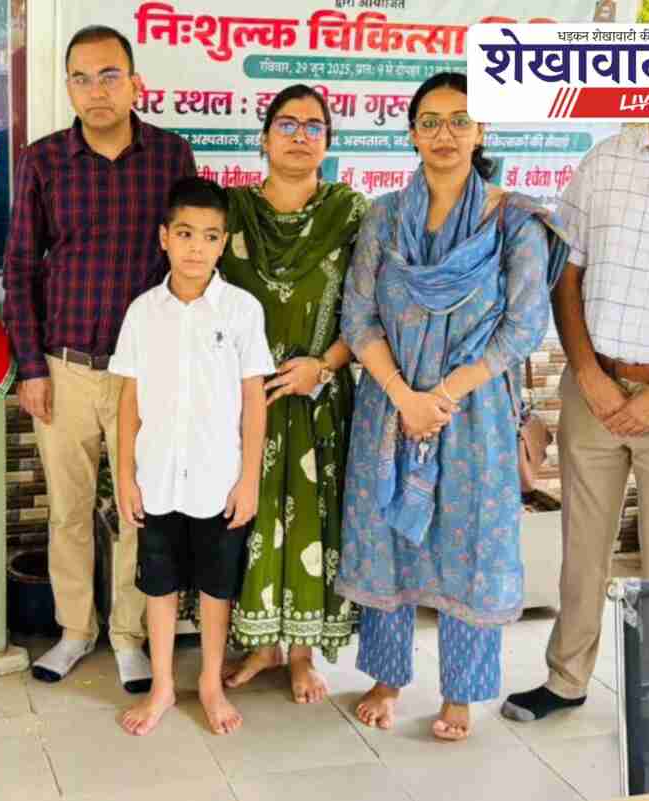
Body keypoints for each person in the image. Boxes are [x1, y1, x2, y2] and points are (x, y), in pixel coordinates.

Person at [504, 11, 649, 729]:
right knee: (581, 549)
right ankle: (566, 680)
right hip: (594, 384)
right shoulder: (605, 159)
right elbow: (567, 275)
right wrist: (589, 375)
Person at [337, 72, 568, 741]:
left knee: (469, 544)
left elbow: (523, 327)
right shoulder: (382, 217)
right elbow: (358, 317)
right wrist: (406, 397)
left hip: (473, 415)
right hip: (391, 405)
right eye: (430, 121)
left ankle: (461, 693)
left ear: (482, 131)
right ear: (411, 133)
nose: (445, 133)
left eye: (460, 119)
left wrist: (441, 395)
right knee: (388, 540)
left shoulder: (515, 221)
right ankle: (386, 676)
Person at [3, 25, 196, 692]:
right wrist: (30, 365)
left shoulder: (171, 156)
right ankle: (75, 630)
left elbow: (189, 261)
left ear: (136, 82)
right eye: (81, 78)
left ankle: (129, 635)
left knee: (141, 511)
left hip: (144, 374)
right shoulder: (43, 160)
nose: (96, 90)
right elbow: (21, 265)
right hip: (63, 368)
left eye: (109, 75)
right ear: (68, 88)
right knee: (69, 509)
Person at [112, 177, 273, 736]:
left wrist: (247, 479)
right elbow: (129, 399)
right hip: (156, 478)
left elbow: (255, 400)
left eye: (209, 236)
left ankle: (207, 682)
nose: (196, 248)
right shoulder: (142, 312)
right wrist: (126, 477)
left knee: (215, 588)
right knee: (157, 585)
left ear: (223, 243)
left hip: (217, 479)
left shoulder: (243, 311)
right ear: (164, 238)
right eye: (184, 233)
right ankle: (160, 686)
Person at [219, 84, 365, 704]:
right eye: (287, 124)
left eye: (313, 125)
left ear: (327, 142)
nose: (299, 135)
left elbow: (371, 311)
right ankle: (261, 645)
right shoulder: (230, 212)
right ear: (264, 137)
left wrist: (323, 366)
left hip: (317, 397)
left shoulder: (351, 213)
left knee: (312, 523)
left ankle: (301, 654)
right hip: (242, 400)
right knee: (246, 523)